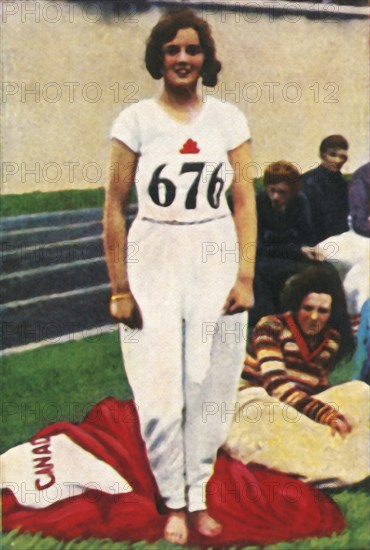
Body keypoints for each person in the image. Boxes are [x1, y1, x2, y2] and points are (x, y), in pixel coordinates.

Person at [103, 9, 256, 545]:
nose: (183, 59)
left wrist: (245, 276)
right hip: (156, 254)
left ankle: (200, 494)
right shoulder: (135, 121)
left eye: (192, 49)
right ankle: (173, 502)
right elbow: (114, 208)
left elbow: (243, 200)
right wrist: (120, 288)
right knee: (162, 389)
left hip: (213, 249)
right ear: (159, 58)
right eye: (172, 50)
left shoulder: (228, 120)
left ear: (205, 57)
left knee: (210, 385)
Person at [224, 264, 369, 487]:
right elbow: (276, 384)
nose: (313, 317)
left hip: (295, 404)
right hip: (254, 401)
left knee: (359, 391)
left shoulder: (330, 339)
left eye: (322, 311)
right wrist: (324, 414)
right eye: (307, 308)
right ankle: (336, 467)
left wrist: (336, 410)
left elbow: (316, 386)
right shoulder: (271, 327)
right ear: (295, 305)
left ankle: (352, 459)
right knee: (267, 410)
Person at [249, 160, 312, 329]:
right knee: (259, 273)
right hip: (263, 258)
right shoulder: (258, 202)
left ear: (292, 192)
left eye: (282, 192)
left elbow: (306, 237)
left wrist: (305, 250)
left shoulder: (300, 202)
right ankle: (266, 326)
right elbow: (257, 247)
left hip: (292, 258)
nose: (276, 197)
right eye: (272, 190)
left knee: (325, 271)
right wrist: (296, 250)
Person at [301, 135, 350, 245]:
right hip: (314, 245)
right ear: (322, 155)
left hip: (340, 244)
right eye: (333, 155)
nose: (338, 160)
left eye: (343, 157)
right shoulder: (306, 182)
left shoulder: (343, 185)